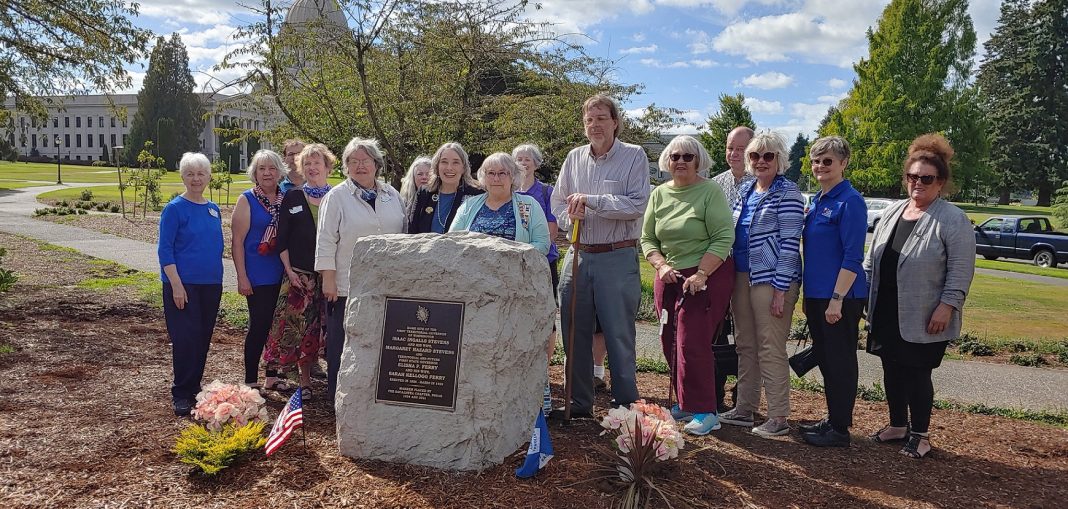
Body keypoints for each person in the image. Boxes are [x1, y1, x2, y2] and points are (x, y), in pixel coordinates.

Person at [865, 133, 975, 459]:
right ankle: (898, 425)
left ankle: (921, 434)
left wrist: (948, 305)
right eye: (912, 177)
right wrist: (863, 298)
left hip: (926, 313)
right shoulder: (893, 212)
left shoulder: (953, 219)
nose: (918, 183)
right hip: (886, 310)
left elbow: (961, 269)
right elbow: (872, 259)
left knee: (916, 373)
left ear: (940, 181)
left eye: (926, 178)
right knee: (891, 368)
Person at [550, 93, 650, 418]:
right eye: (589, 120)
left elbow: (637, 204)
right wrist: (570, 217)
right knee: (573, 332)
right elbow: (557, 205)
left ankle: (624, 408)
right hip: (577, 256)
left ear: (615, 122)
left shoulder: (634, 156)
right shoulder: (573, 158)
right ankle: (579, 404)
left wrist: (594, 201)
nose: (595, 125)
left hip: (616, 257)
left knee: (618, 333)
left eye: (601, 118)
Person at [640, 135, 735, 435]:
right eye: (675, 156)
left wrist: (702, 274)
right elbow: (648, 239)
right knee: (669, 338)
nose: (681, 161)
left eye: (688, 157)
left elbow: (723, 236)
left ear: (699, 161)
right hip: (668, 274)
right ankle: (685, 401)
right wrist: (661, 265)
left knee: (691, 341)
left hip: (705, 275)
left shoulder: (710, 191)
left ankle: (707, 410)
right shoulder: (658, 194)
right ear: (667, 161)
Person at [719, 131, 803, 438]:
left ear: (780, 159)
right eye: (755, 156)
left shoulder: (788, 193)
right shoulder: (746, 191)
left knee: (770, 347)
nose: (761, 161)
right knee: (746, 344)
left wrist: (781, 289)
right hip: (742, 276)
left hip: (771, 280)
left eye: (768, 156)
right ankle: (745, 408)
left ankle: (778, 416)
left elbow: (791, 244)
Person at [316, 138, 406, 402]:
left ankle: (373, 400)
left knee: (381, 343)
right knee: (342, 346)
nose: (360, 166)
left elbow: (404, 234)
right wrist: (328, 280)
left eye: (365, 160)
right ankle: (339, 399)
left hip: (386, 285)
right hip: (346, 286)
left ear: (376, 164)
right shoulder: (336, 197)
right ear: (345, 167)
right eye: (353, 161)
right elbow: (325, 240)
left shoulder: (392, 195)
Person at [798, 136, 868, 447]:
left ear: (843, 163)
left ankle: (840, 429)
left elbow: (853, 256)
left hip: (840, 298)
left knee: (840, 361)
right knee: (826, 359)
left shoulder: (850, 201)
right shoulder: (818, 201)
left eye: (828, 161)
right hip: (817, 295)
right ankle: (833, 417)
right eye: (816, 161)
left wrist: (836, 299)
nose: (821, 166)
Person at [263, 143, 336, 401]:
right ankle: (303, 381)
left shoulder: (338, 197)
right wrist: (290, 273)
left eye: (317, 163)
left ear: (327, 167)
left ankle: (335, 381)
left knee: (328, 331)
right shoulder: (293, 197)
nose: (312, 167)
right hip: (299, 277)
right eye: (306, 164)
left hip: (330, 277)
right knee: (301, 330)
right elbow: (281, 241)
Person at [158, 152, 224, 416]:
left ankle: (195, 387)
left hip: (211, 284)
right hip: (182, 286)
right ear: (182, 177)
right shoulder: (174, 209)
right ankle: (181, 393)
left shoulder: (213, 208)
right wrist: (176, 284)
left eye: (201, 174)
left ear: (208, 176)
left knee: (202, 338)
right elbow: (165, 250)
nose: (196, 179)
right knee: (185, 339)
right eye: (190, 174)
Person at [231, 149, 286, 391]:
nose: (267, 173)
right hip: (257, 274)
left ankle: (272, 375)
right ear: (254, 172)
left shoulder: (287, 198)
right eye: (262, 168)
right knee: (260, 325)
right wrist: (242, 276)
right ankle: (251, 380)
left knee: (277, 327)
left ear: (279, 172)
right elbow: (237, 242)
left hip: (282, 272)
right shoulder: (247, 200)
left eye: (272, 168)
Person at [450, 152, 550, 252]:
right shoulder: (469, 205)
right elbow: (452, 241)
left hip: (515, 266)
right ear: (484, 177)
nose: (496, 179)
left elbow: (542, 244)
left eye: (502, 173)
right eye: (491, 173)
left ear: (513, 176)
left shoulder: (528, 205)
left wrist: (515, 255)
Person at [407, 142, 484, 234]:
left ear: (463, 168)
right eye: (444, 162)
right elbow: (412, 231)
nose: (449, 167)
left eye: (455, 162)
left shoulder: (477, 195)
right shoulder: (424, 193)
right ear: (437, 166)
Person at [713, 126, 757, 213]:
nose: (733, 154)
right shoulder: (715, 185)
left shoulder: (763, 182)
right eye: (730, 148)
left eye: (740, 149)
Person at [400, 156, 432, 222]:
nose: (424, 177)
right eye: (420, 174)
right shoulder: (402, 202)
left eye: (428, 174)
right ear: (413, 178)